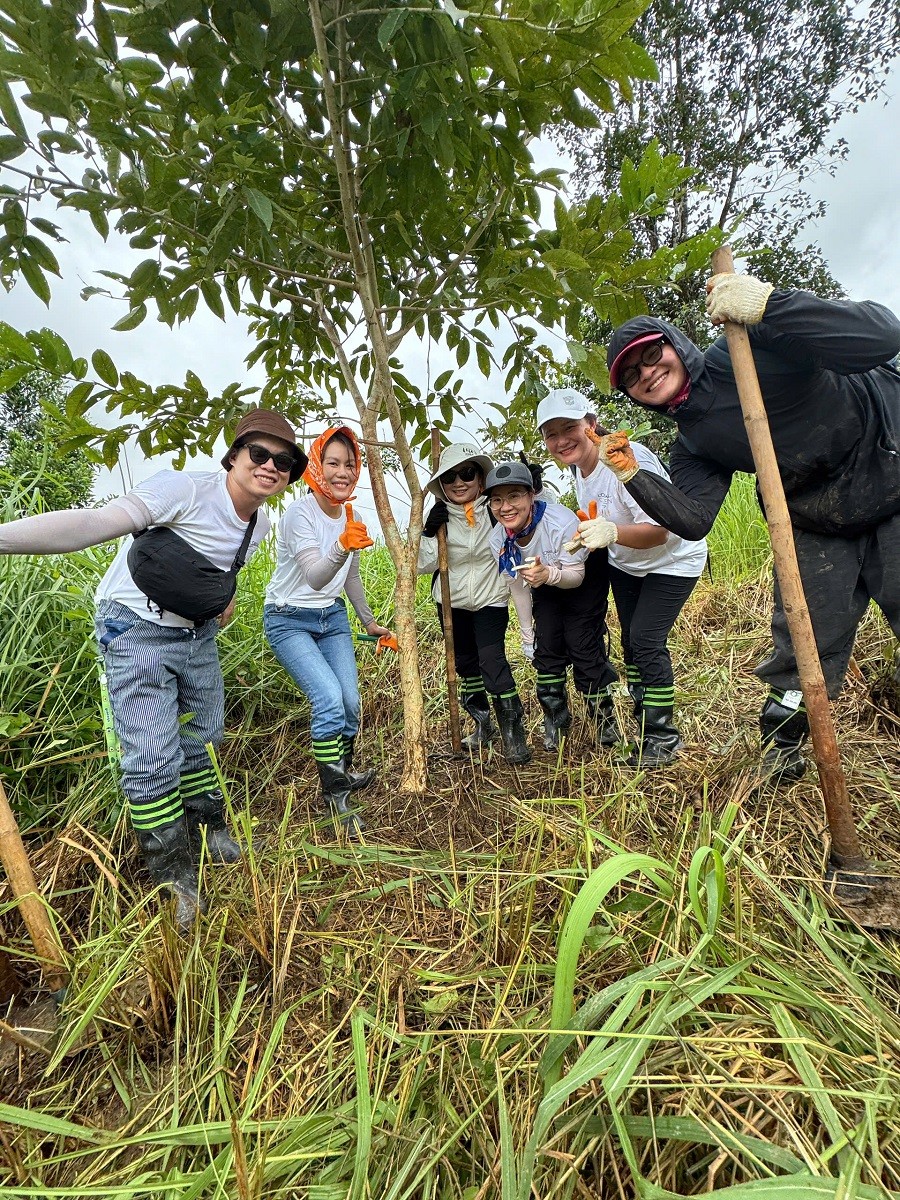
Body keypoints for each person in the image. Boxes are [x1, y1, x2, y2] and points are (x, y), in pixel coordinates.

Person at [0, 408, 306, 927]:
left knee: (206, 735)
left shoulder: (260, 525)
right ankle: (175, 878)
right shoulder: (182, 490)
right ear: (234, 455)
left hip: (196, 633)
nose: (271, 466)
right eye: (260, 453)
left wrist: (219, 605)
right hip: (135, 629)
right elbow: (94, 524)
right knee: (153, 759)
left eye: (285, 462)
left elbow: (219, 580)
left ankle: (211, 826)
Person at [603, 273, 900, 780]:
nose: (647, 373)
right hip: (814, 518)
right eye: (631, 375)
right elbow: (693, 520)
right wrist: (630, 473)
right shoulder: (693, 444)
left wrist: (770, 304)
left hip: (889, 470)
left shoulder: (749, 341)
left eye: (651, 355)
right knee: (804, 646)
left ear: (675, 343)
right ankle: (782, 754)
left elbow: (882, 335)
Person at [537, 388, 707, 767]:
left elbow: (660, 530)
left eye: (570, 428)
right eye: (551, 434)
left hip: (672, 558)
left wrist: (611, 532)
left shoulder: (625, 459)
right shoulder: (577, 466)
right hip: (628, 564)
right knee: (632, 645)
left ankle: (663, 740)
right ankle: (645, 726)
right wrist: (585, 538)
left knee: (646, 640)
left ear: (591, 424)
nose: (561, 440)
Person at [263, 426, 392, 836]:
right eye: (333, 463)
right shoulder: (299, 514)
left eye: (350, 464)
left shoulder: (352, 514)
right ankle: (336, 800)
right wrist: (341, 545)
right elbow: (317, 576)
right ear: (316, 465)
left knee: (351, 703)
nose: (342, 472)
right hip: (288, 618)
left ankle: (344, 773)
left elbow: (348, 578)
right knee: (328, 700)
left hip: (331, 618)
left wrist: (368, 621)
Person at [484, 461, 619, 751]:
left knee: (582, 645)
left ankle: (606, 726)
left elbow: (575, 576)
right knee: (546, 646)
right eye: (496, 500)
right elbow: (518, 585)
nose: (505, 507)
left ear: (531, 495)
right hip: (543, 581)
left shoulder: (560, 522)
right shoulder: (499, 538)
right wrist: (526, 632)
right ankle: (556, 723)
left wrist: (549, 574)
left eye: (514, 496)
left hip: (582, 577)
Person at [418, 443, 531, 764]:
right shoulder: (438, 517)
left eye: (467, 473)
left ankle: (513, 733)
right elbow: (421, 565)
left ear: (481, 479)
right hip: (450, 604)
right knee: (466, 666)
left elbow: (526, 524)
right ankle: (483, 725)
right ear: (441, 485)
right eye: (450, 477)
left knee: (492, 662)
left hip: (490, 600)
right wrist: (428, 531)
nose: (458, 482)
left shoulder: (495, 510)